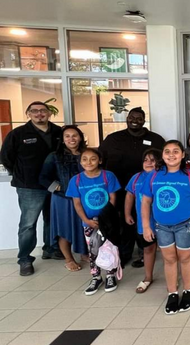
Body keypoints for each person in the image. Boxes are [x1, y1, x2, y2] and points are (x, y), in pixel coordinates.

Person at [141, 140, 190, 315]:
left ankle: (188, 290)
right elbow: (146, 201)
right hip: (161, 225)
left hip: (185, 224)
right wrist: (146, 226)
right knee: (169, 259)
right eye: (167, 151)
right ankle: (172, 293)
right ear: (162, 155)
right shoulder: (154, 175)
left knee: (185, 257)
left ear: (183, 154)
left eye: (176, 151)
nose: (171, 155)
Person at [0, 101, 63, 276]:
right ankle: (25, 259)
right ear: (28, 114)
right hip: (30, 186)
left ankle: (51, 248)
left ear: (49, 113)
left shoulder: (58, 132)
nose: (39, 114)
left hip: (54, 184)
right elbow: (6, 158)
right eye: (34, 111)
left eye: (43, 110)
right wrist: (21, 174)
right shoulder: (18, 134)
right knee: (28, 224)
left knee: (52, 219)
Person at [98, 107, 164, 266]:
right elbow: (101, 161)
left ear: (144, 120)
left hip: (150, 190)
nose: (135, 120)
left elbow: (165, 162)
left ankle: (144, 253)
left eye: (139, 118)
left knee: (147, 219)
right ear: (127, 118)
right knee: (125, 222)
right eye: (131, 117)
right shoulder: (113, 139)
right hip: (119, 190)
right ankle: (125, 253)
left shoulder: (156, 139)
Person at [66, 148, 121, 295]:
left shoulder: (108, 176)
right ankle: (96, 277)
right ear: (80, 162)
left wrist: (106, 218)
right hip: (89, 222)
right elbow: (77, 203)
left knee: (109, 248)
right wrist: (86, 220)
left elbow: (113, 198)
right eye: (84, 159)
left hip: (107, 222)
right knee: (93, 251)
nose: (88, 162)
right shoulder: (76, 180)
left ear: (100, 161)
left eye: (93, 159)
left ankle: (110, 275)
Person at [39, 125, 87, 271]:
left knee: (84, 226)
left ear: (80, 137)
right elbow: (43, 178)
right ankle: (69, 259)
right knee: (65, 229)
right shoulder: (54, 156)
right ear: (62, 139)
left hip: (84, 198)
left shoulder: (87, 154)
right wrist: (57, 187)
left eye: (75, 135)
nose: (71, 139)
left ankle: (84, 253)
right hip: (63, 199)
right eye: (67, 136)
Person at [125, 148, 161, 293]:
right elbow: (129, 196)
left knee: (169, 252)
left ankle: (173, 277)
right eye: (145, 160)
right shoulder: (136, 178)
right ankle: (148, 277)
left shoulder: (163, 176)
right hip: (145, 222)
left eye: (152, 160)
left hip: (164, 222)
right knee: (148, 249)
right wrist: (127, 213)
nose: (148, 163)